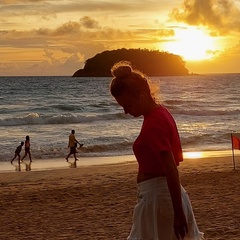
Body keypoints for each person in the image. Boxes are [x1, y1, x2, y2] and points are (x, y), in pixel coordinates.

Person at [110, 61, 204, 240]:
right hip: (161, 198)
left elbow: (170, 168)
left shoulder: (154, 123)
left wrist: (178, 213)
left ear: (142, 97)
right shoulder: (161, 113)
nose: (125, 111)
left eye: (128, 105)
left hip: (160, 200)